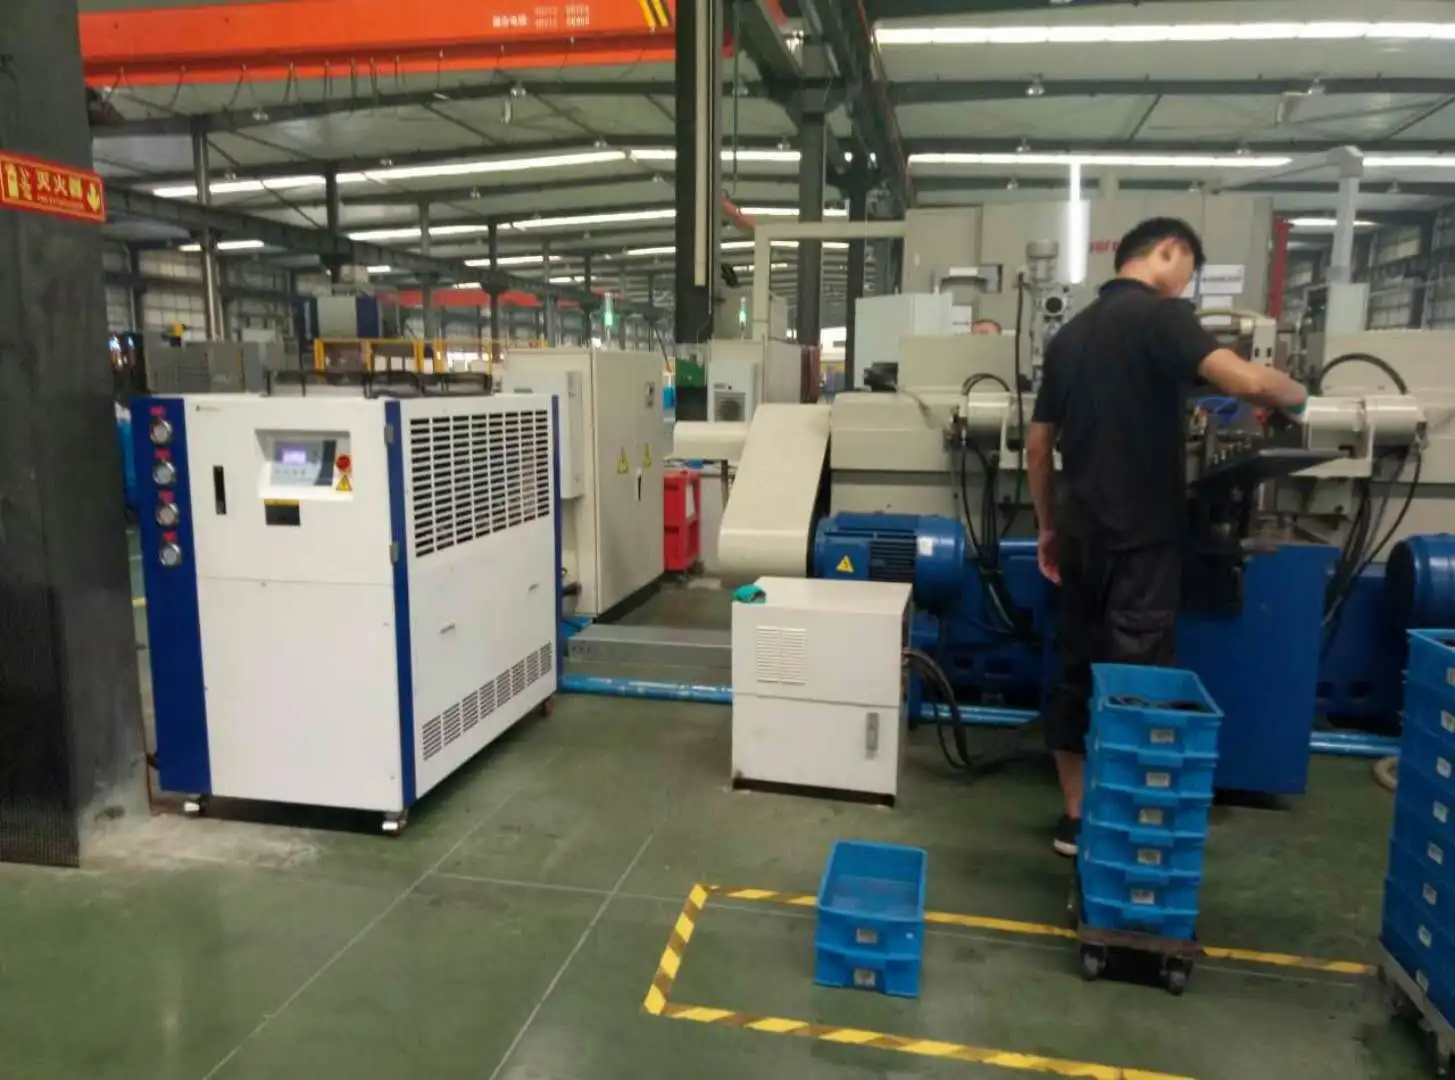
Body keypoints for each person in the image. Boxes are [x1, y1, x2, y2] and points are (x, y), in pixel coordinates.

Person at [1026, 217, 1308, 858]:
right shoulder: (1162, 317)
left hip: (1080, 532)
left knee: (1074, 670)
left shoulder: (1069, 336)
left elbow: (1039, 447)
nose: (1186, 284)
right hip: (1142, 535)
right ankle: (1127, 818)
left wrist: (1047, 527)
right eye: (1189, 271)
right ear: (1169, 252)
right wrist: (1300, 397)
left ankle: (1076, 817)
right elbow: (1247, 382)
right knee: (1138, 672)